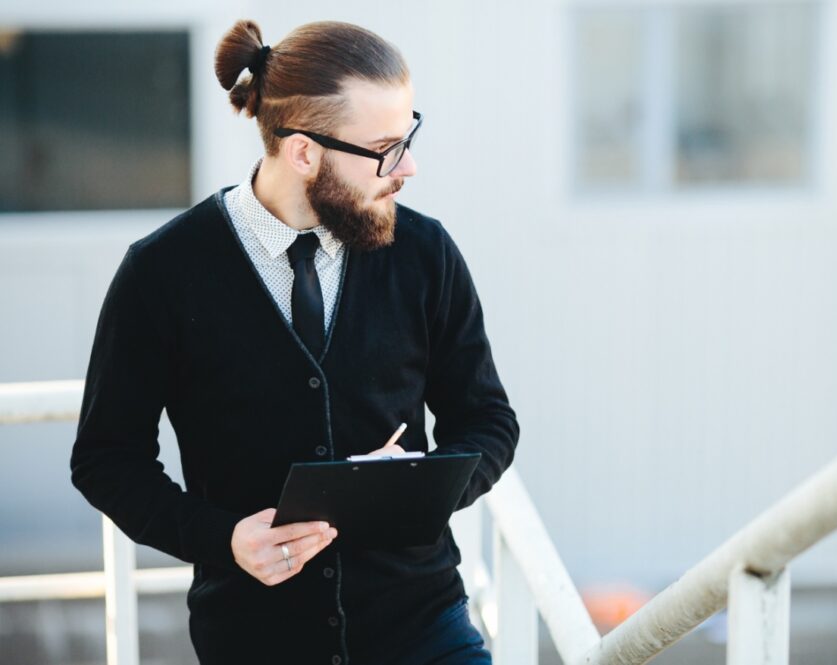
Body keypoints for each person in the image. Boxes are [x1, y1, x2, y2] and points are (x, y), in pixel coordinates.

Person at [70, 19, 518, 665]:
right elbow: (106, 459)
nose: (409, 167)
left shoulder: (427, 253)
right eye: (387, 148)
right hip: (252, 640)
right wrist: (224, 538)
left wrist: (417, 486)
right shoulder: (161, 273)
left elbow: (488, 419)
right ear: (304, 152)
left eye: (408, 135)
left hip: (426, 626)